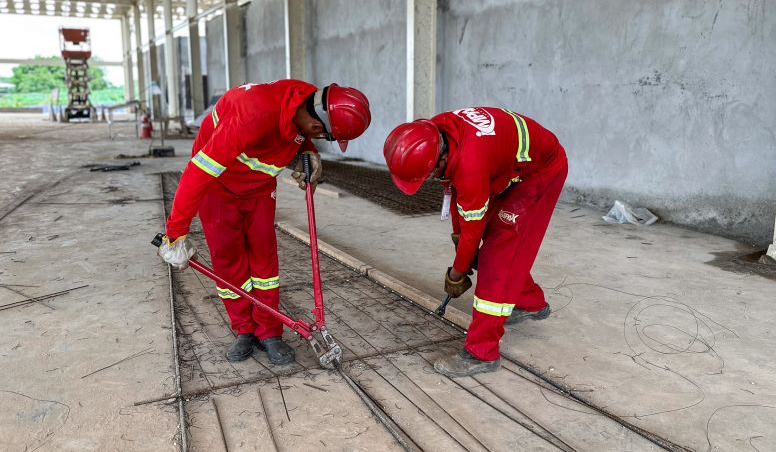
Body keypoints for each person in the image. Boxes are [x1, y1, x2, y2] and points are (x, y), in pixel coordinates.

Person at [158, 80, 371, 363]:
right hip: (217, 188)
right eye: (324, 139)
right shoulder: (253, 115)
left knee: (264, 260)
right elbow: (197, 174)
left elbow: (299, 126)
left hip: (258, 189)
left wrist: (308, 150)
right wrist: (175, 234)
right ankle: (244, 329)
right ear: (320, 128)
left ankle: (270, 331)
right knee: (228, 260)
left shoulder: (305, 100)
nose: (320, 140)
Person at [383, 107, 567, 377]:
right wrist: (459, 241)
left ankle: (481, 353)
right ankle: (531, 304)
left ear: (441, 158)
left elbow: (472, 225)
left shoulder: (471, 164)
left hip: (541, 172)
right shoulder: (437, 133)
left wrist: (457, 273)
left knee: (497, 256)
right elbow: (455, 191)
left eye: (429, 175)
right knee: (489, 248)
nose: (429, 180)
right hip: (507, 168)